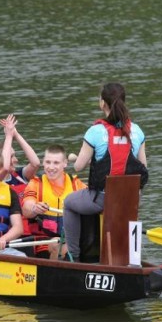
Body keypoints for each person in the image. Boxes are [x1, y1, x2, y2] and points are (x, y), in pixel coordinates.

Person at [64, 82, 148, 262]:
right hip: (130, 200)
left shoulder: (95, 132)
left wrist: (76, 158)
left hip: (103, 199)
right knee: (124, 204)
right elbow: (143, 167)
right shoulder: (138, 131)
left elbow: (78, 167)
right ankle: (132, 259)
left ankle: (73, 256)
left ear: (102, 103)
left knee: (69, 203)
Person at [23, 145, 86, 259]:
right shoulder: (35, 183)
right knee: (58, 244)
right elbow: (26, 209)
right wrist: (34, 208)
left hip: (70, 240)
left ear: (65, 163)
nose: (51, 167)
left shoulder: (77, 184)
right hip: (42, 242)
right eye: (48, 162)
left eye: (56, 163)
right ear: (43, 162)